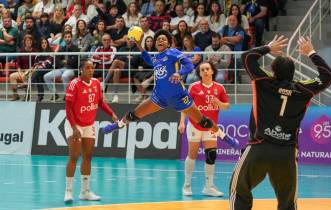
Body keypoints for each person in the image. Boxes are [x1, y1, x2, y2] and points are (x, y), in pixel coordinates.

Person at [229, 36, 331, 210]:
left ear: (272, 70)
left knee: (239, 189)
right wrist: (311, 53)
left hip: (259, 146)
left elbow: (247, 57)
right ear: (293, 73)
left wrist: (268, 48)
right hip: (286, 152)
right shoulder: (303, 89)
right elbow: (328, 76)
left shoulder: (263, 81)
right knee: (287, 203)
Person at [104, 29, 239, 149]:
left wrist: (178, 73)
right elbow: (147, 58)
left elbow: (190, 66)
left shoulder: (173, 52)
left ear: (168, 43)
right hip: (159, 97)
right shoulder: (156, 58)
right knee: (134, 114)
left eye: (163, 39)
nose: (160, 41)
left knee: (204, 121)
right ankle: (118, 125)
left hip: (179, 97)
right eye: (158, 40)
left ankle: (224, 136)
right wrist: (139, 44)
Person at [64, 59, 119, 202]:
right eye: (87, 68)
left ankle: (85, 192)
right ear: (80, 69)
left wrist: (111, 114)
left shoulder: (96, 83)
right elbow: (68, 108)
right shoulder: (74, 84)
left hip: (89, 124)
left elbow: (100, 102)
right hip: (74, 124)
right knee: (74, 156)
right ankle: (68, 191)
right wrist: (74, 127)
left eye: (92, 68)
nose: (90, 70)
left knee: (88, 156)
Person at [179, 61, 229, 197]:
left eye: (208, 69)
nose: (206, 71)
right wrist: (182, 122)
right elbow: (185, 106)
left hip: (211, 127)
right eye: (202, 70)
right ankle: (187, 185)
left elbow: (226, 106)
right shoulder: (194, 87)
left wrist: (219, 103)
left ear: (212, 71)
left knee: (211, 154)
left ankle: (209, 187)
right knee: (192, 155)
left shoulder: (220, 88)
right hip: (195, 125)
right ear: (199, 73)